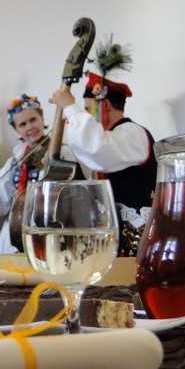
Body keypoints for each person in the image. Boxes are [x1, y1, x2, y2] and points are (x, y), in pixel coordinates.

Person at [49, 54, 157, 256]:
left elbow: (97, 148)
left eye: (88, 109)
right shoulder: (113, 136)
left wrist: (71, 110)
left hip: (136, 243)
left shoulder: (132, 133)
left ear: (104, 106)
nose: (86, 115)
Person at [0, 95, 73, 253]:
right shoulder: (16, 160)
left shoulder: (62, 152)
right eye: (23, 124)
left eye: (33, 120)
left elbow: (69, 193)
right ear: (17, 129)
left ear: (42, 118)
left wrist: (54, 164)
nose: (30, 127)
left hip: (48, 232)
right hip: (13, 232)